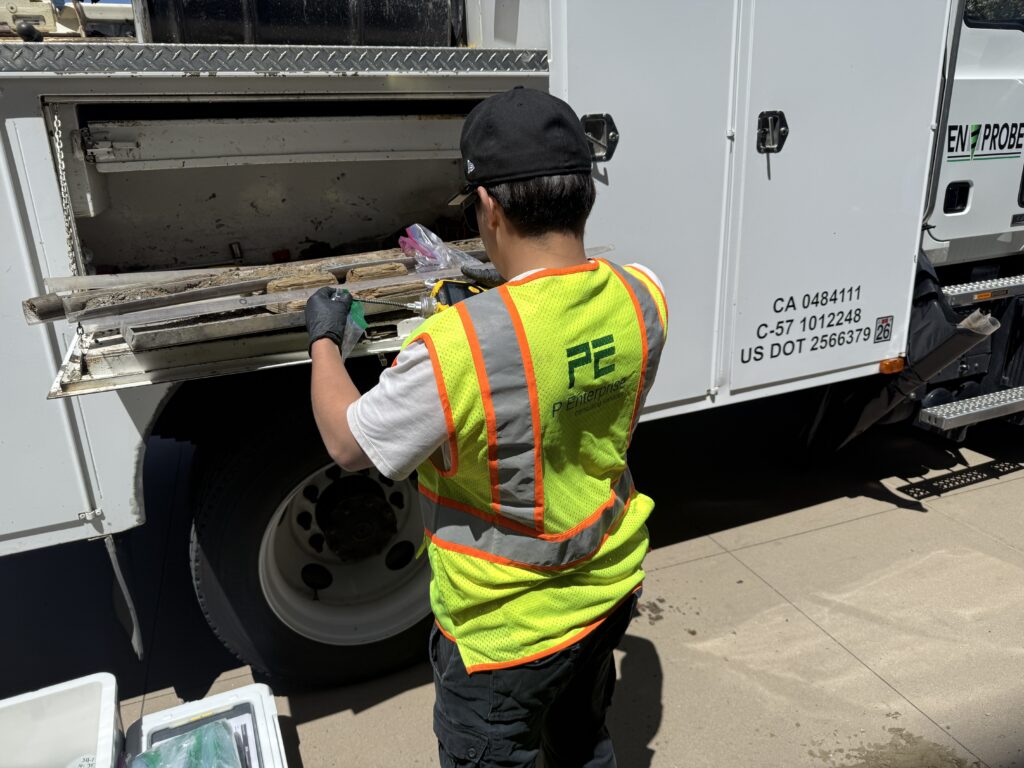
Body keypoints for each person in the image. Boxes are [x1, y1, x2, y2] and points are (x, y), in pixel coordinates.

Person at [304, 86, 667, 768]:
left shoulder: (458, 347)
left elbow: (348, 444)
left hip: (507, 637)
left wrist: (324, 340)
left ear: (490, 207)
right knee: (584, 739)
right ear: (584, 192)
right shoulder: (642, 294)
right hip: (609, 590)